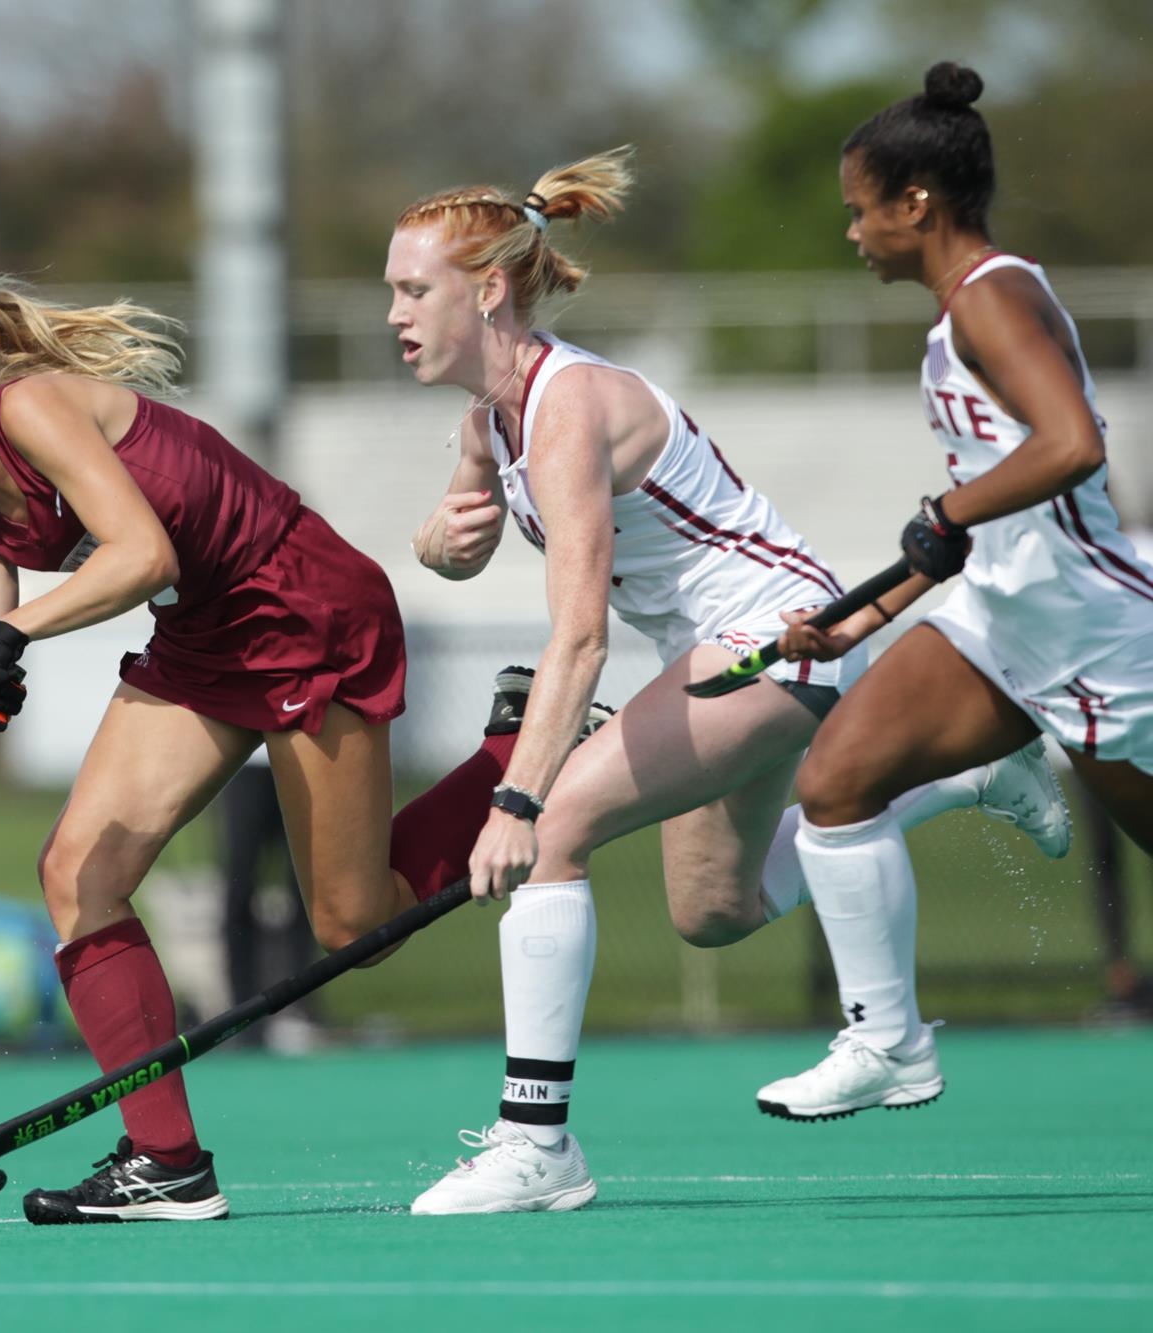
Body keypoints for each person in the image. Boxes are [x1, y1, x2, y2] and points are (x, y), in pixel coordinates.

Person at [376, 146, 1070, 1215]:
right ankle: (972, 776)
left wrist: (517, 800)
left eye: (412, 289)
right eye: (390, 291)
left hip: (774, 637)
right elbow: (460, 537)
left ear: (486, 288)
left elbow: (576, 641)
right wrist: (437, 544)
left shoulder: (569, 409)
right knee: (715, 909)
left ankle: (534, 1143)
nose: (393, 313)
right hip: (710, 656)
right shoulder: (488, 420)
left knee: (556, 828)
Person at [0, 279, 412, 1224]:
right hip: (202, 643)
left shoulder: (29, 406)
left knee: (351, 923)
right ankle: (168, 1162)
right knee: (77, 872)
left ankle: (516, 773)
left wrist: (21, 630)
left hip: (302, 608)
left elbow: (142, 555)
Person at [756, 63, 1153, 1116]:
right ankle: (886, 1043)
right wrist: (857, 618)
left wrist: (953, 511)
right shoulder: (956, 320)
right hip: (1002, 621)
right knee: (832, 786)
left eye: (858, 210)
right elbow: (969, 519)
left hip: (1093, 632)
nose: (851, 233)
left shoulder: (991, 298)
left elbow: (1069, 446)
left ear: (914, 204)